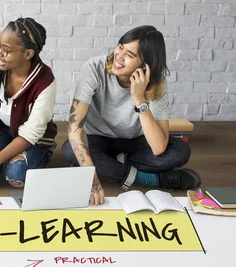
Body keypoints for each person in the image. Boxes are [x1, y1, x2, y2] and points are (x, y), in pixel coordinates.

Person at [62, 25, 201, 205]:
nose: (119, 57)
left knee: (180, 151)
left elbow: (158, 147)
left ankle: (110, 165)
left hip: (135, 143)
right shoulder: (94, 68)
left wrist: (139, 98)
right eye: (120, 47)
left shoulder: (156, 82)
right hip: (97, 138)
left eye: (130, 55)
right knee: (69, 149)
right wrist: (92, 180)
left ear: (146, 64)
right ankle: (150, 179)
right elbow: (75, 126)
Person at [0, 17, 57, 187]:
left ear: (28, 54)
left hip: (29, 139)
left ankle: (23, 157)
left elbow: (30, 134)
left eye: (6, 49)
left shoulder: (44, 81)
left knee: (16, 176)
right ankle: (2, 153)